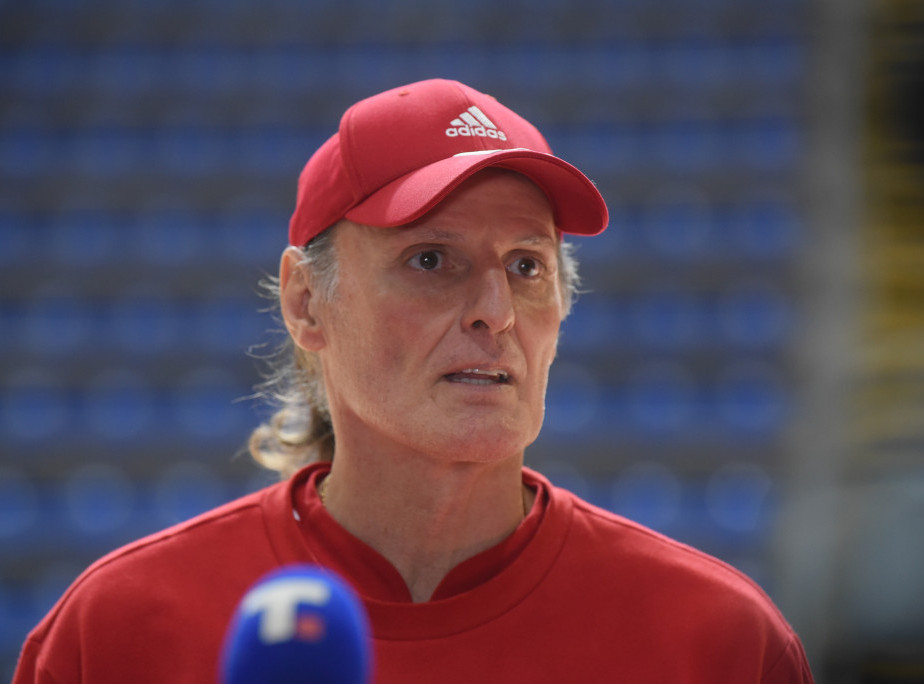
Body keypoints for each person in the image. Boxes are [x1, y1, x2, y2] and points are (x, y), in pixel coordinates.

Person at [14, 79, 813, 682]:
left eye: (526, 266)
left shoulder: (717, 640)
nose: (495, 311)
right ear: (306, 302)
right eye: (431, 259)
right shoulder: (120, 631)